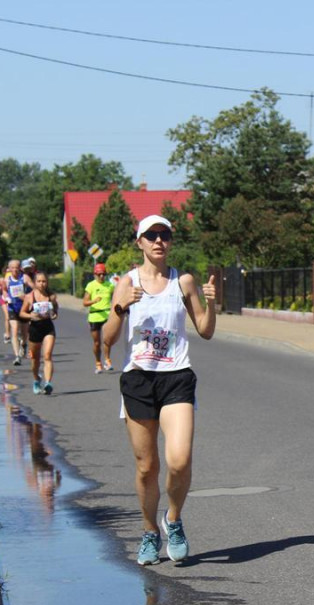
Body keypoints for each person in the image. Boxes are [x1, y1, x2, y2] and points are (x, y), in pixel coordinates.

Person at [103, 214, 217, 567]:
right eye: (150, 235)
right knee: (146, 467)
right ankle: (150, 531)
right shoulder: (126, 282)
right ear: (139, 242)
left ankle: (174, 519)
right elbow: (107, 340)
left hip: (176, 376)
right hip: (138, 379)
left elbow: (205, 329)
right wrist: (122, 308)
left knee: (179, 459)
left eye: (164, 235)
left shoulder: (182, 281)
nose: (158, 241)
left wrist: (211, 302)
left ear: (170, 241)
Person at [19, 270, 58, 394]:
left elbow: (55, 311)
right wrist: (31, 316)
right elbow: (22, 313)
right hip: (35, 329)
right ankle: (36, 380)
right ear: (35, 283)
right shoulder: (30, 297)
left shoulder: (51, 296)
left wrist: (54, 315)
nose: (42, 284)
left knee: (47, 355)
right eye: (39, 281)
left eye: (44, 281)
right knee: (35, 359)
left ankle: (48, 383)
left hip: (48, 328)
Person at [82, 262, 115, 373]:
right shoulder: (91, 285)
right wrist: (93, 301)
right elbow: (85, 302)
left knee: (107, 340)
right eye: (99, 274)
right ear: (95, 275)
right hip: (95, 316)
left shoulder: (109, 285)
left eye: (103, 274)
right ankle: (98, 362)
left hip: (106, 315)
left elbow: (116, 297)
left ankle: (107, 360)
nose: (101, 276)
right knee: (97, 343)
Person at [4, 260, 29, 366]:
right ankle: (17, 356)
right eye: (12, 267)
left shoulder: (24, 278)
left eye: (16, 267)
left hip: (24, 308)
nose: (14, 269)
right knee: (14, 331)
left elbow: (34, 289)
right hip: (12, 308)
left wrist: (26, 297)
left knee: (24, 333)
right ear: (9, 269)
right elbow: (4, 291)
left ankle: (24, 344)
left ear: (20, 268)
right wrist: (6, 297)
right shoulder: (7, 279)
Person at [0, 263, 12, 343]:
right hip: (4, 299)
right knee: (7, 317)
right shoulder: (1, 280)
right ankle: (7, 334)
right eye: (7, 272)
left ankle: (18, 332)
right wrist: (1, 287)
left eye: (10, 271)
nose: (9, 273)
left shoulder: (15, 280)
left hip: (13, 300)